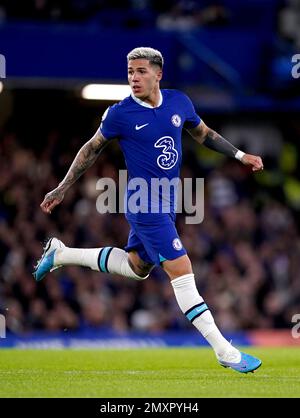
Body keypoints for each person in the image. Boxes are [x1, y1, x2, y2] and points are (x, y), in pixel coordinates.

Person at [34, 47, 264, 373]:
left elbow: (204, 134)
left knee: (137, 266)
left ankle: (61, 254)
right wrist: (63, 186)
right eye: (130, 71)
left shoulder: (179, 102)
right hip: (144, 205)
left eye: (141, 71)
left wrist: (241, 156)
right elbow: (90, 149)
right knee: (182, 269)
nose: (133, 77)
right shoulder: (119, 114)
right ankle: (224, 350)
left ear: (159, 73)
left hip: (168, 203)